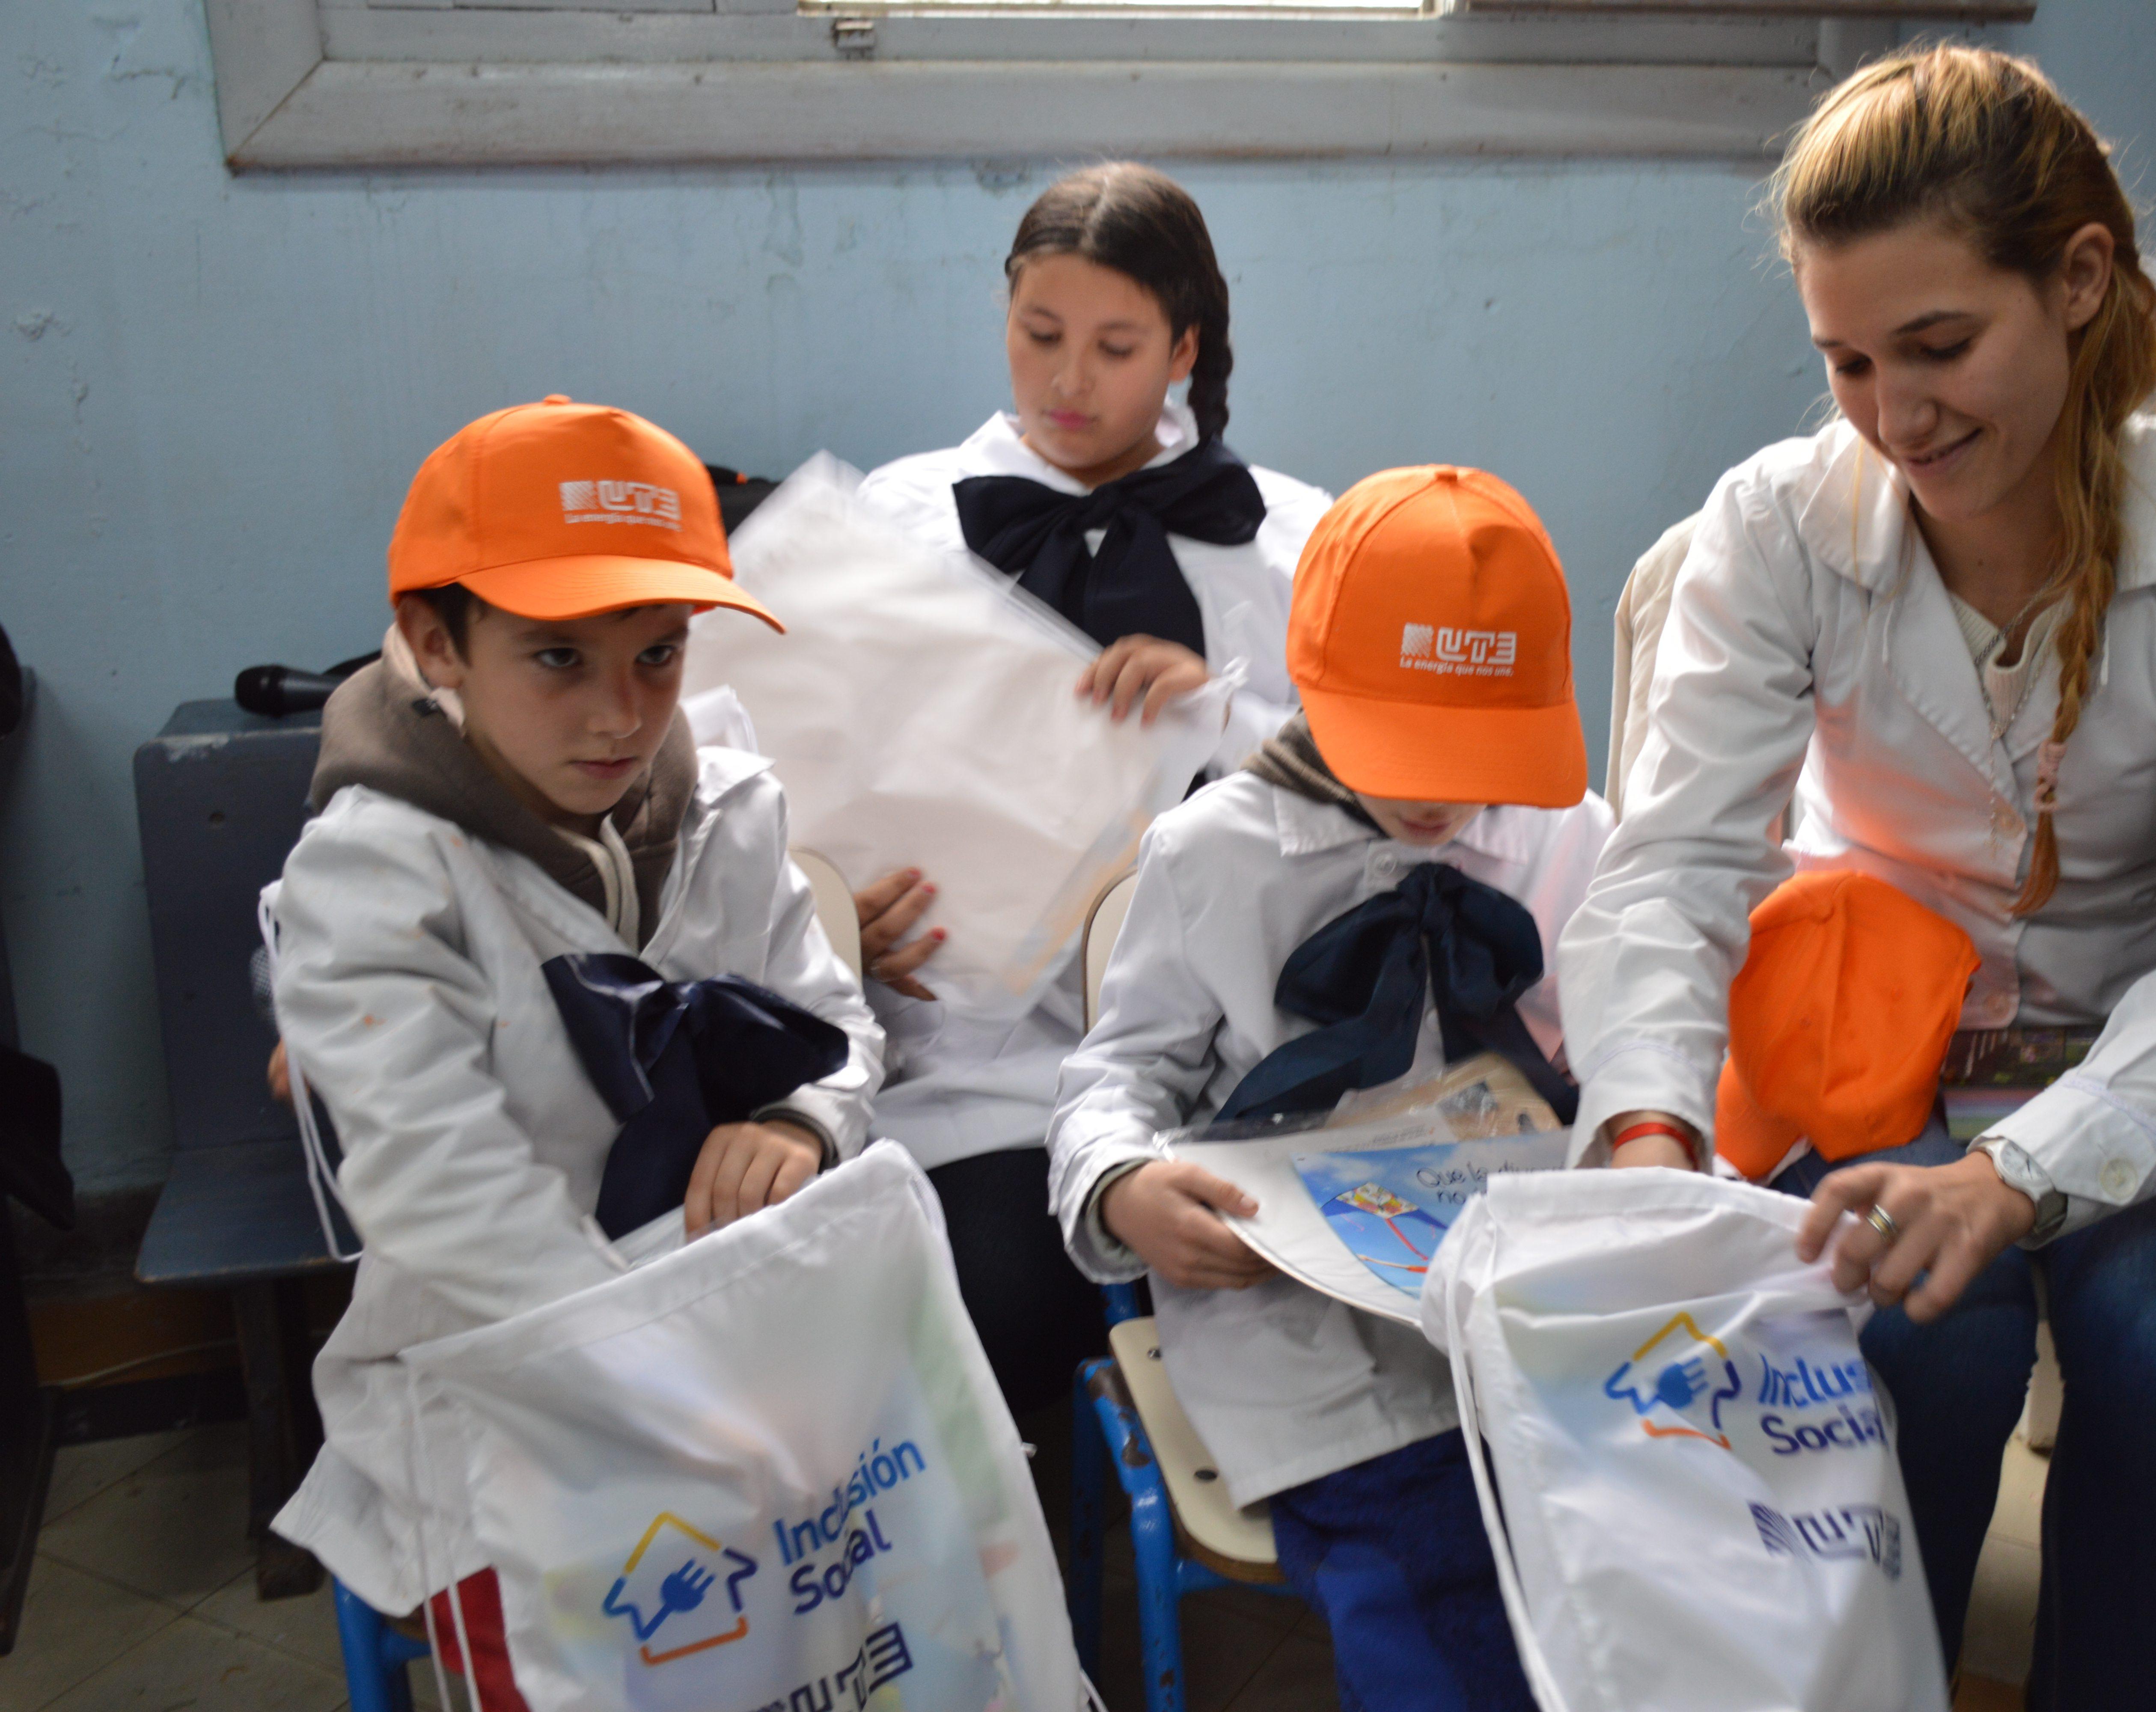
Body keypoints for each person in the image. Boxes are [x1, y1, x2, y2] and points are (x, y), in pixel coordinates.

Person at [1555, 47, 2156, 1711]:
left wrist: (2021, 1173)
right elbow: (1666, 873)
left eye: (1939, 346)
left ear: (2079, 279)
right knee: (1900, 1350)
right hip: (1870, 1060)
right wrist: (1649, 1122)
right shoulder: (1782, 524)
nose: (1893, 414)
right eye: (1848, 360)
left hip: (2147, 1073)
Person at [265, 397, 884, 1711]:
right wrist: (666, 1397)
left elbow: (838, 1029)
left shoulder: (725, 806)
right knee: (635, 1671)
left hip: (745, 1348)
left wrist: (802, 1125)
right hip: (505, 1392)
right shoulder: (377, 875)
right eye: (557, 659)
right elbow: (454, 1202)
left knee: (892, 1613)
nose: (622, 715)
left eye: (659, 655)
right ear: (439, 641)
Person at [1050, 466, 1610, 1712]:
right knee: (1421, 1572)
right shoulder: (1215, 852)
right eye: (1401, 742)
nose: (1433, 792)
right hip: (1292, 1301)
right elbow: (1118, 1074)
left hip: (1522, 1284)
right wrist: (1126, 1186)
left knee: (1624, 1539)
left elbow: (1628, 1050)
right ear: (1308, 680)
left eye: (1475, 751)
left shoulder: (1568, 837)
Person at [844, 163, 1332, 1416]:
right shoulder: (898, 523)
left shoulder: (1290, 540)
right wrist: (832, 910)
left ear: (1184, 348)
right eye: (1038, 335)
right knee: (993, 1302)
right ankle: (1035, 1601)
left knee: (1293, 1310)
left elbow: (1384, 791)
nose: (1068, 383)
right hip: (974, 1058)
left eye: (1115, 347)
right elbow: (777, 771)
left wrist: (1227, 718)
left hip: (1236, 1052)